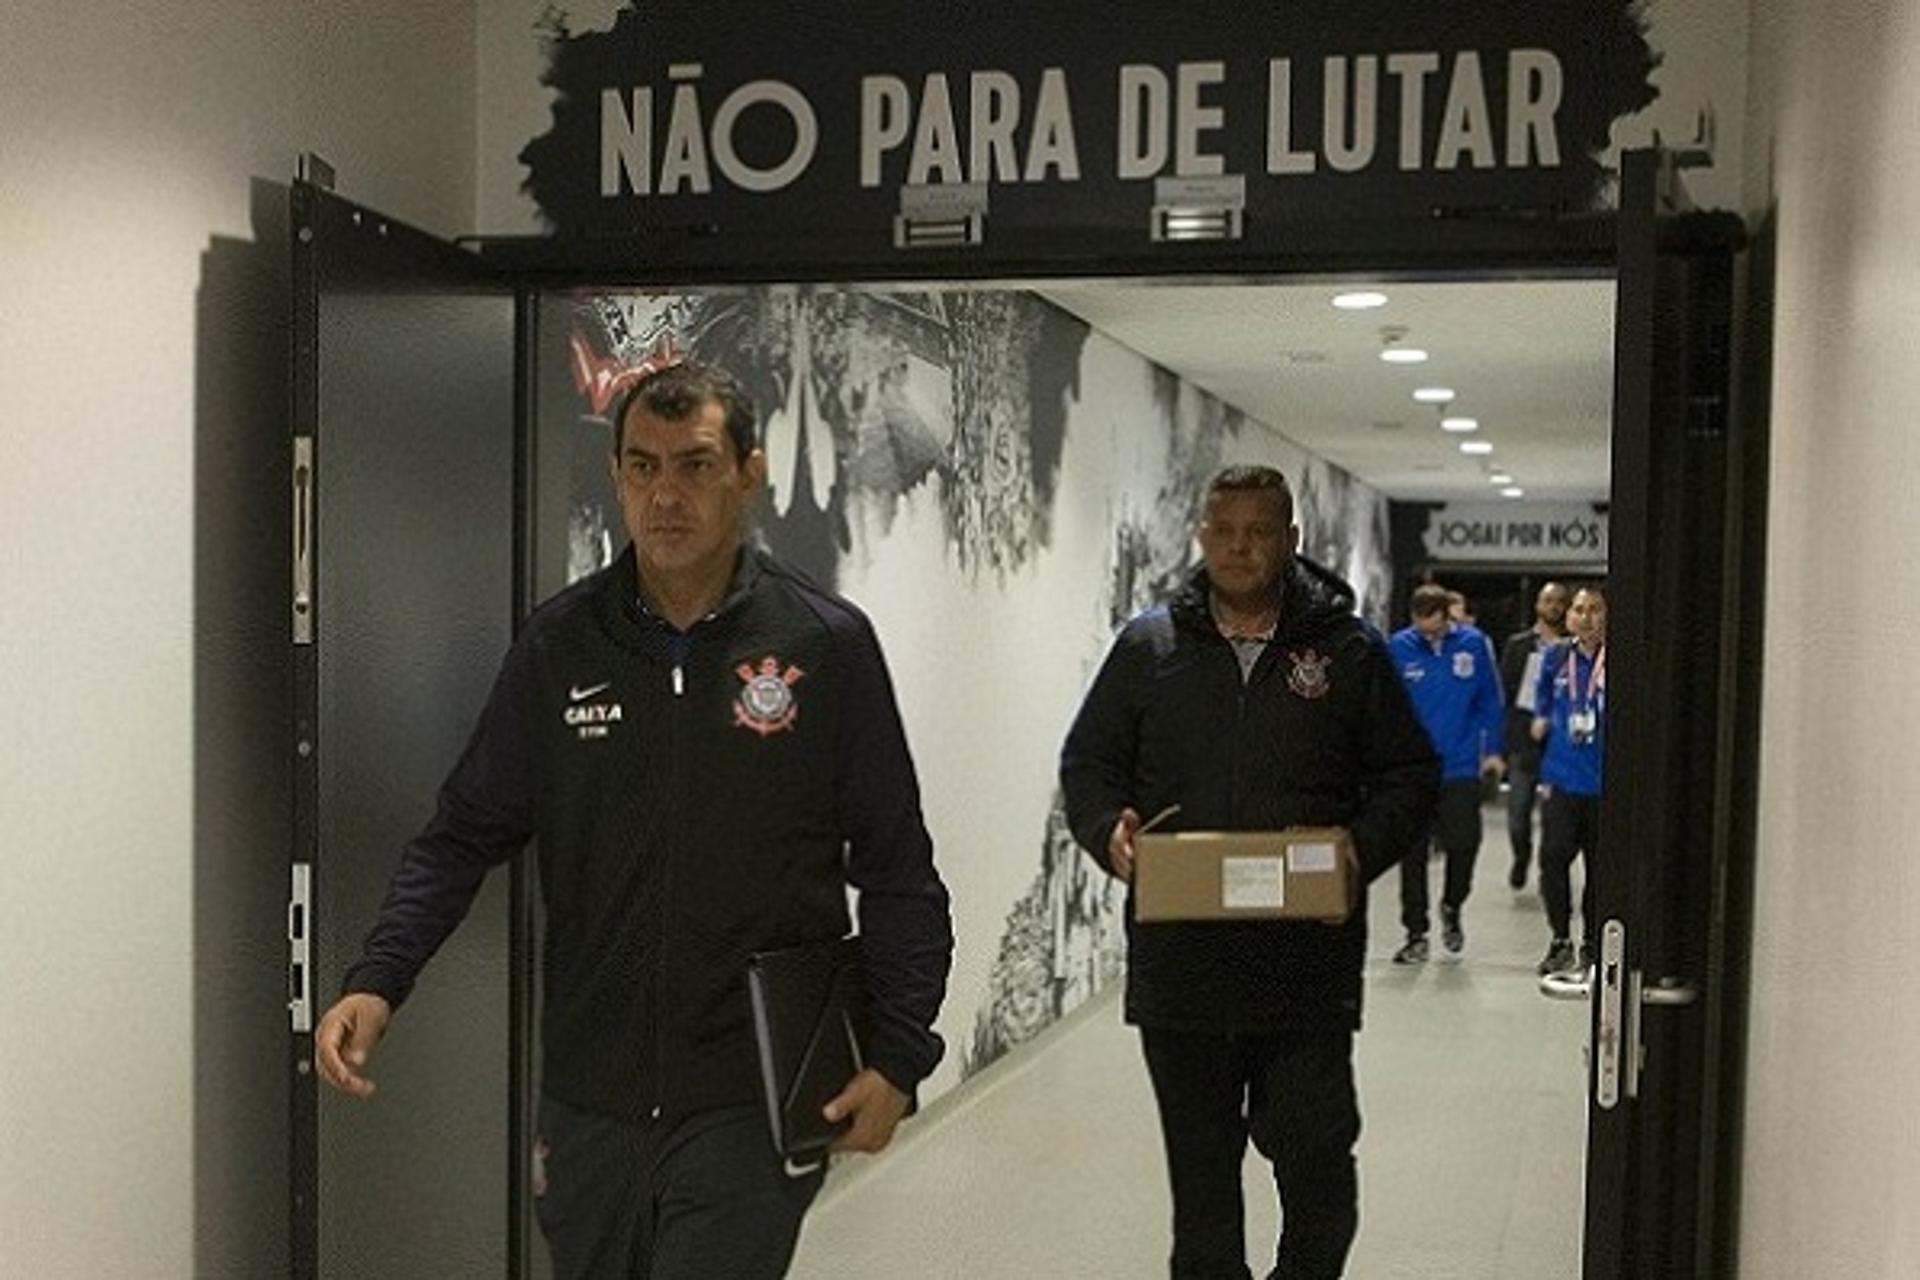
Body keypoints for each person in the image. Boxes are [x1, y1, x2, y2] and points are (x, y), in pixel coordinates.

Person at [312, 360, 954, 1279]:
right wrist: (380, 977)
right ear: (616, 476)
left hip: (749, 1099)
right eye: (644, 467)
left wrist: (898, 1056)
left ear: (750, 471)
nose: (667, 495)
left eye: (695, 465)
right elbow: (462, 833)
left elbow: (897, 868)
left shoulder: (824, 644)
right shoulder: (560, 644)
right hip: (590, 1103)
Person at [1060, 465, 1438, 1280]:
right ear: (1201, 535)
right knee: (1202, 1200)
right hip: (1181, 976)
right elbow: (1088, 764)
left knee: (1316, 1168)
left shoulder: (1346, 650)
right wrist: (1107, 830)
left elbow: (1411, 776)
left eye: (1259, 531)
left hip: (1303, 973)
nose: (1239, 547)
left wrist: (1357, 850)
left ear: (1291, 540)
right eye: (1224, 530)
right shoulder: (1148, 648)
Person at [1387, 585, 1507, 963]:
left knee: (1464, 844)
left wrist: (1493, 752)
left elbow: (1490, 699)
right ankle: (1415, 932)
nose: (1428, 635)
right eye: (1421, 628)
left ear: (1446, 617)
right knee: (1413, 854)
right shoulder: (1398, 647)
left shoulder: (1473, 644)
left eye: (1434, 628)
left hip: (1459, 765)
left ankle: (1452, 905)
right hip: (1413, 771)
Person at [1531, 584, 1608, 976]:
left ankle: (1593, 944)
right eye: (1579, 609)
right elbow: (1535, 705)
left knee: (1600, 869)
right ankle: (1560, 938)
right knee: (1553, 862)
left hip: (1604, 786)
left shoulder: (1620, 659)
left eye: (1594, 609)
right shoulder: (1553, 657)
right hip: (1560, 780)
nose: (1586, 617)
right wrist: (1538, 724)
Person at [1498, 582, 1570, 889]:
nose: (1552, 606)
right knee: (1518, 812)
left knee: (1555, 817)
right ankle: (1521, 855)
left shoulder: (1571, 648)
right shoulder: (1518, 645)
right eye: (1547, 600)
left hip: (1560, 740)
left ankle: (1547, 870)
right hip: (1523, 737)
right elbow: (1504, 691)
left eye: (1558, 601)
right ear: (1537, 605)